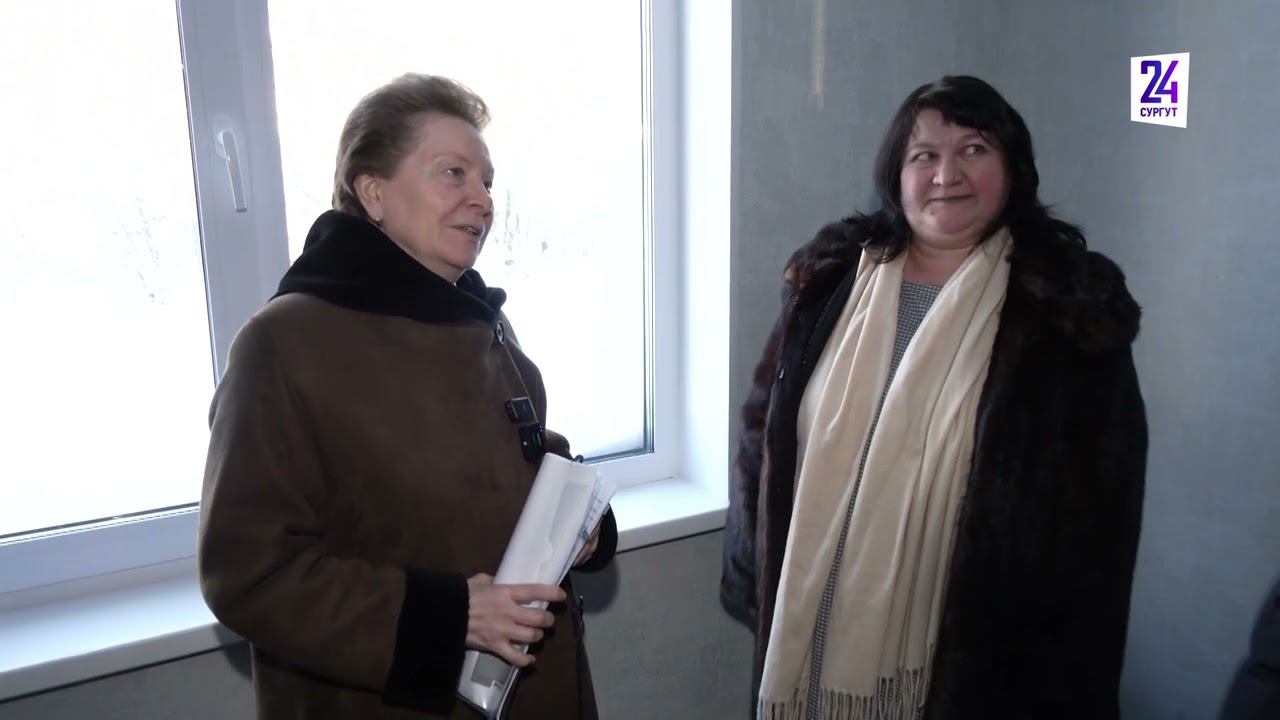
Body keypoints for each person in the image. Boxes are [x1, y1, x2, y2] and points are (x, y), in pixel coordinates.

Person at [722, 75, 1147, 719]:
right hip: (806, 624)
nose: (947, 175)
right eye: (924, 155)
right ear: (897, 175)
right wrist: (752, 565)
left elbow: (1099, 524)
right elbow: (763, 438)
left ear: (1014, 168)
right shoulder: (830, 282)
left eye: (974, 149)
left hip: (970, 664)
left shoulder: (1066, 312)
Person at [198, 73, 616, 719]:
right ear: (373, 192)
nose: (482, 200)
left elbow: (523, 455)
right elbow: (251, 573)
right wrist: (448, 617)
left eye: (488, 181)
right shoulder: (283, 344)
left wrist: (581, 522)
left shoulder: (481, 320)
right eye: (453, 173)